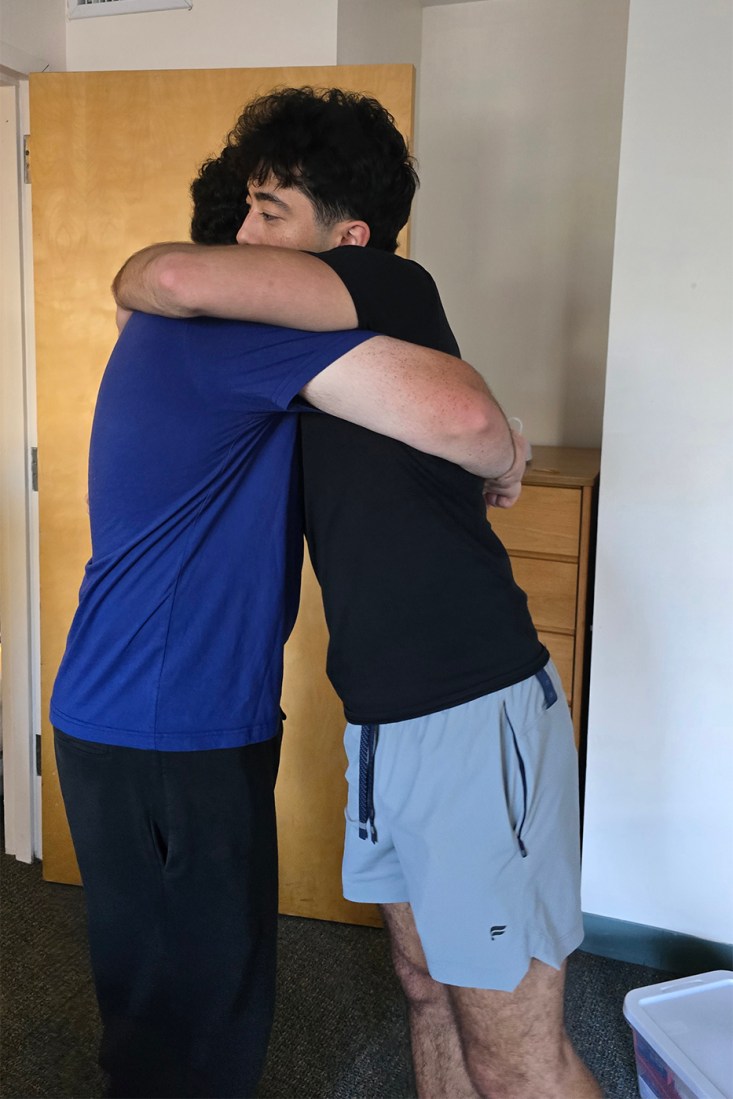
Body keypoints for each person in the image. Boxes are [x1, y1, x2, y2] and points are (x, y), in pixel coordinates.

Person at [114, 87, 601, 1099]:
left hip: (470, 709)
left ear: (350, 237)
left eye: (268, 210)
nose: (242, 234)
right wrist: (500, 439)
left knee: (518, 1061)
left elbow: (164, 272)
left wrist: (136, 274)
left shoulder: (384, 280)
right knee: (424, 990)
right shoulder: (323, 356)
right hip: (384, 719)